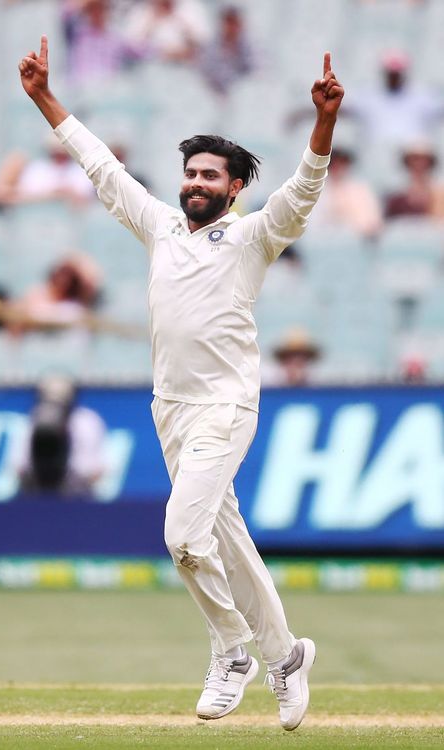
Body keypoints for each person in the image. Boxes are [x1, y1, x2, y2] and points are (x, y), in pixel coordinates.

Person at [19, 36, 343, 730]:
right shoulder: (161, 229)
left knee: (182, 535)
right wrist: (45, 97)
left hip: (226, 407)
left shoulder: (255, 237)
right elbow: (102, 168)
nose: (195, 182)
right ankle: (286, 657)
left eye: (210, 176)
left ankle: (233, 650)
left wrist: (323, 124)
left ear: (234, 187)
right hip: (171, 409)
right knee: (225, 539)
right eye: (190, 172)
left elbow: (305, 192)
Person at [12, 374, 107, 497]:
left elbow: (97, 469)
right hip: (34, 494)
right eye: (50, 395)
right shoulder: (29, 421)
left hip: (79, 496)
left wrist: (73, 484)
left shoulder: (87, 421)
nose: (55, 401)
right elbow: (19, 467)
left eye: (61, 395)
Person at [308, 147, 383, 238]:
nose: (338, 168)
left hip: (358, 241)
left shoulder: (360, 190)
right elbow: (315, 226)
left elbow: (372, 223)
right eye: (334, 164)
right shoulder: (318, 192)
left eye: (342, 163)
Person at [384, 142, 444, 220]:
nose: (419, 164)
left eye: (424, 160)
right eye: (415, 159)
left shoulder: (440, 194)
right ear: (407, 162)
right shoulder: (396, 199)